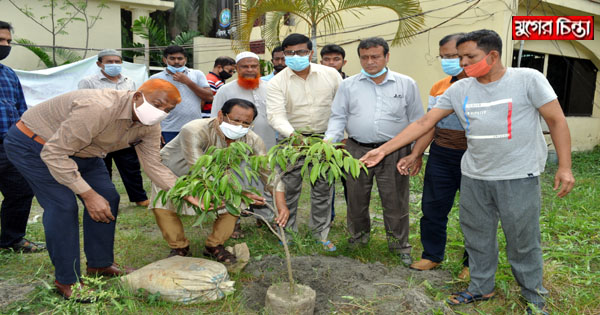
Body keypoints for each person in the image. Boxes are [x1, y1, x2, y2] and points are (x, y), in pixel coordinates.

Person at [360, 29, 574, 315]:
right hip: (474, 175)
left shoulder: (527, 79)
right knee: (477, 236)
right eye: (459, 57)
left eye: (468, 56)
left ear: (492, 55)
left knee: (522, 240)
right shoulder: (460, 89)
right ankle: (480, 287)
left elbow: (557, 120)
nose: (461, 63)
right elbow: (425, 123)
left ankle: (534, 297)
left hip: (518, 175)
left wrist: (565, 166)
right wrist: (384, 150)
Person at [3, 79, 199, 300]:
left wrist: (185, 192)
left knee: (108, 197)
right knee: (63, 206)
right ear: (137, 96)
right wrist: (87, 194)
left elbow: (154, 165)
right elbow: (54, 154)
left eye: (167, 110)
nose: (160, 112)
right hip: (36, 145)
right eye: (157, 104)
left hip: (87, 151)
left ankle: (100, 264)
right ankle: (67, 280)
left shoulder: (150, 125)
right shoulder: (97, 108)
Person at [324, 37, 423, 266]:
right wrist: (329, 143)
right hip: (357, 150)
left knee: (395, 200)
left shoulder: (406, 84)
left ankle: (399, 245)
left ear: (387, 57)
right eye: (364, 57)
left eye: (375, 57)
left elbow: (418, 121)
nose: (369, 62)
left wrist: (415, 153)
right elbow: (338, 117)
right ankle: (358, 238)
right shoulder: (348, 86)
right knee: (356, 198)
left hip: (394, 151)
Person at [151, 98, 289, 262]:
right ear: (220, 116)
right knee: (163, 207)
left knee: (234, 204)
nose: (240, 126)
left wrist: (281, 205)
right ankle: (179, 247)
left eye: (246, 123)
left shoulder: (251, 139)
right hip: (173, 173)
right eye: (235, 120)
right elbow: (198, 167)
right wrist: (239, 193)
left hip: (216, 177)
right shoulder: (194, 130)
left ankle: (214, 245)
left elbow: (268, 171)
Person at [397, 33, 470, 277]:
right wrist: (417, 154)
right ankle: (432, 255)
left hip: (475, 156)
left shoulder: (482, 84)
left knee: (475, 213)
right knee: (433, 208)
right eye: (444, 56)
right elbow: (429, 125)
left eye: (453, 56)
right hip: (441, 155)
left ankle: (473, 264)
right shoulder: (439, 87)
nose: (448, 60)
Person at [266, 33, 342, 251]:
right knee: (288, 189)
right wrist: (293, 136)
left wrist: (333, 138)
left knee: (323, 189)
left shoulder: (331, 75)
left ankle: (320, 234)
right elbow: (275, 115)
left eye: (300, 52)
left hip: (325, 140)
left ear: (310, 53)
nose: (295, 56)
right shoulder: (276, 82)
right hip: (291, 141)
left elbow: (340, 109)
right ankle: (287, 234)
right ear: (284, 55)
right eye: (289, 53)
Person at [210, 52, 278, 232]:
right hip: (235, 147)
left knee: (265, 180)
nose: (250, 70)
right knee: (235, 180)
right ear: (237, 69)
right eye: (245, 66)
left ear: (259, 68)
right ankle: (234, 223)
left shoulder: (271, 87)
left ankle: (266, 218)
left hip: (266, 144)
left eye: (254, 66)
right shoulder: (226, 90)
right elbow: (215, 119)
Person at [78, 49, 150, 208]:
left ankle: (139, 197)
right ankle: (105, 199)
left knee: (130, 167)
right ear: (99, 64)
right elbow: (84, 105)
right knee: (102, 168)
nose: (114, 65)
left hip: (123, 132)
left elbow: (133, 104)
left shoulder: (128, 81)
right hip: (99, 133)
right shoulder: (88, 82)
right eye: (109, 62)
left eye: (117, 62)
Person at [0, 20, 45, 253]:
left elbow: (20, 110)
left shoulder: (9, 75)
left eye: (8, 41)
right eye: (1, 40)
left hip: (8, 146)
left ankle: (12, 240)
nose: (5, 45)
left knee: (21, 190)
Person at [150, 45, 213, 144]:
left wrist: (188, 82)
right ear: (164, 60)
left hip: (194, 127)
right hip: (168, 129)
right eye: (172, 58)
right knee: (169, 159)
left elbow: (209, 97)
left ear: (185, 60)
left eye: (180, 58)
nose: (176, 62)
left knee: (194, 158)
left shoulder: (197, 74)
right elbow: (151, 106)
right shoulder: (155, 78)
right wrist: (156, 130)